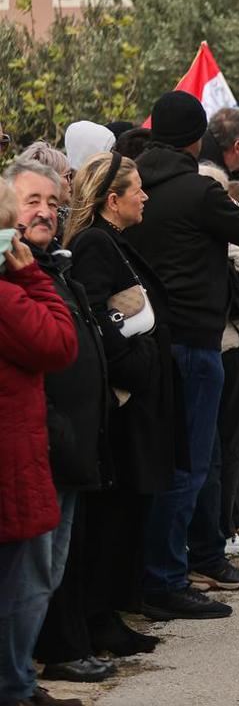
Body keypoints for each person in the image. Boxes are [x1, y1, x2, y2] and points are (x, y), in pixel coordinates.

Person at [125, 91, 239, 615]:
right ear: (196, 140)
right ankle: (167, 578)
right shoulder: (196, 191)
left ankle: (206, 553)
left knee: (199, 457)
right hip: (196, 341)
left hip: (153, 341)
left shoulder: (137, 186)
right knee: (190, 463)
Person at [62, 153, 178, 649]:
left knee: (129, 509)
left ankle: (115, 607)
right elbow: (98, 321)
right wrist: (141, 359)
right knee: (113, 513)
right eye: (138, 189)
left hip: (140, 402)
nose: (146, 196)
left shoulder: (115, 242)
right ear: (114, 200)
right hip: (123, 407)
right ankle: (100, 616)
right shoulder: (94, 243)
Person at [0, 177, 80, 706]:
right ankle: (15, 686)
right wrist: (31, 276)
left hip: (29, 446)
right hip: (13, 457)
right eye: (32, 203)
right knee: (27, 581)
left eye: (54, 203)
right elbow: (59, 343)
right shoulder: (9, 290)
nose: (45, 213)